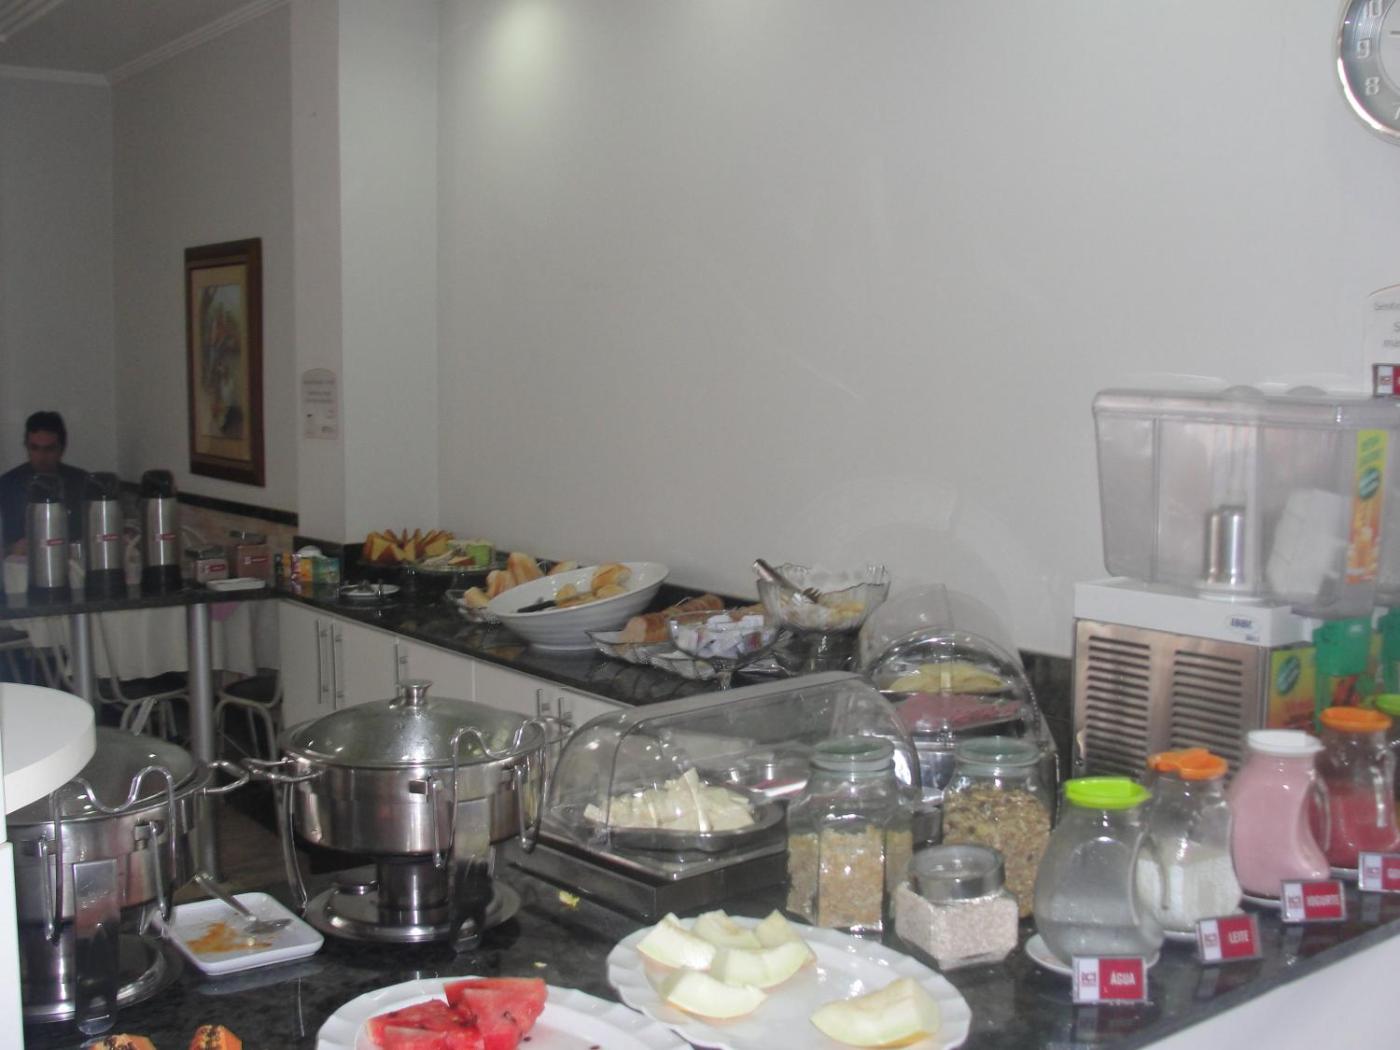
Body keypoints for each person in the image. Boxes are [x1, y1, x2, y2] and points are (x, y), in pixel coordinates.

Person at [0, 411, 89, 555]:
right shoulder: (7, 486)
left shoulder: (81, 482)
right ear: (26, 447)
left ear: (61, 448)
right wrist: (11, 549)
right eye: (34, 448)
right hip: (20, 564)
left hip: (70, 561)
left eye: (49, 449)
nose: (42, 457)